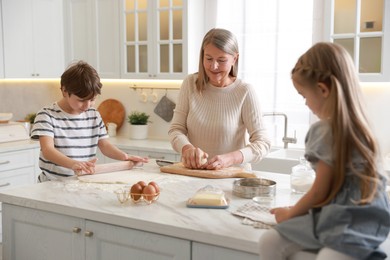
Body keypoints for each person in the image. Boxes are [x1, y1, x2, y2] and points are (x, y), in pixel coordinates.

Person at [259, 42, 390, 259]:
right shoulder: (364, 130)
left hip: (348, 219)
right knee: (273, 241)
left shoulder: (325, 131)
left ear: (322, 89)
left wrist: (291, 213)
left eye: (303, 96)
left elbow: (319, 191)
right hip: (369, 219)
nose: (305, 104)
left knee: (273, 242)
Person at [169, 28, 271, 170]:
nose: (213, 66)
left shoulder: (244, 92)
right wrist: (187, 149)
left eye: (221, 60)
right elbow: (176, 129)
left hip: (232, 178)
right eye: (209, 58)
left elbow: (263, 142)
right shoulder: (190, 84)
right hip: (195, 175)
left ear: (234, 59)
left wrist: (231, 158)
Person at [31, 61, 148, 182]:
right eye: (81, 100)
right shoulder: (47, 115)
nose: (87, 106)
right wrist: (73, 164)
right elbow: (48, 150)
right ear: (65, 91)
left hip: (82, 181)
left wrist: (125, 156)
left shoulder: (93, 115)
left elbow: (105, 145)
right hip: (52, 183)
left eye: (92, 99)